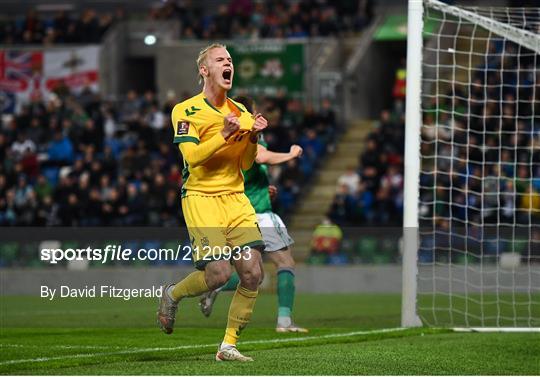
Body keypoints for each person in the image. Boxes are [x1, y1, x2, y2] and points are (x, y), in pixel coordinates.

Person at [157, 43, 268, 362]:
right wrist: (222, 134)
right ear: (205, 70)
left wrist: (253, 137)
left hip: (235, 199)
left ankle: (228, 345)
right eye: (220, 60)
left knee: (251, 272)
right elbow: (192, 157)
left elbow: (247, 164)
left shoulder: (242, 114)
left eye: (230, 59)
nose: (227, 63)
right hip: (202, 199)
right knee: (218, 274)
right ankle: (172, 294)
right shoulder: (185, 110)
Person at [199, 96, 307, 333]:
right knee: (285, 262)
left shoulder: (225, 135)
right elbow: (260, 156)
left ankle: (216, 286)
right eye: (254, 110)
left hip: (238, 212)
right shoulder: (247, 132)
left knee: (253, 276)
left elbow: (245, 171)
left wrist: (261, 188)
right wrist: (290, 154)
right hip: (257, 214)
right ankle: (284, 322)